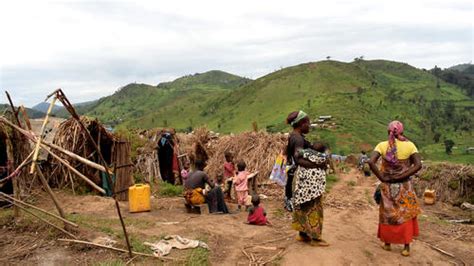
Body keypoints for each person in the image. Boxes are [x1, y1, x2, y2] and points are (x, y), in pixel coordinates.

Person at [368, 120, 422, 257]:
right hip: (404, 186)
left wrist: (382, 178)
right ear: (402, 132)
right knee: (405, 214)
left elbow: (370, 162)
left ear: (388, 132)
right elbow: (418, 165)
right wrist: (401, 176)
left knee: (388, 215)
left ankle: (387, 244)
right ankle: (406, 248)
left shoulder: (382, 145)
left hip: (387, 186)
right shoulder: (410, 146)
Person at [286, 110, 329, 246]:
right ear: (301, 123)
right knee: (314, 206)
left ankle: (303, 235)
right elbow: (298, 159)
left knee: (303, 206)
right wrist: (318, 163)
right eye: (308, 123)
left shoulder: (295, 136)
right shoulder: (298, 138)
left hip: (300, 177)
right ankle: (316, 238)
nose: (309, 125)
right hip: (306, 180)